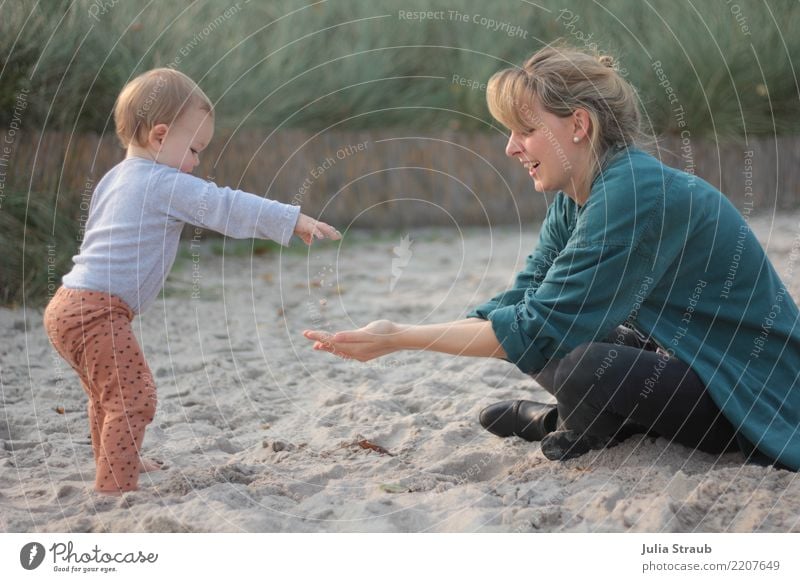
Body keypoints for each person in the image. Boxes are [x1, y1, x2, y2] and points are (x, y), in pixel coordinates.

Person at [304, 45, 800, 471]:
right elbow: (526, 298)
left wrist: (400, 338)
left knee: (587, 364)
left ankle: (563, 423)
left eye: (523, 130)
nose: (509, 147)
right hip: (676, 357)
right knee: (559, 343)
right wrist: (424, 330)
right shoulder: (577, 196)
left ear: (579, 124)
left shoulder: (635, 192)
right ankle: (587, 419)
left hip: (744, 388)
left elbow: (539, 325)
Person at [44, 68, 341, 494]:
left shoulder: (117, 177)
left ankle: (116, 458)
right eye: (196, 150)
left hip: (67, 306)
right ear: (161, 137)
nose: (198, 162)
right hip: (96, 310)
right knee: (134, 398)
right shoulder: (162, 182)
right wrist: (291, 219)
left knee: (107, 396)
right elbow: (225, 206)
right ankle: (113, 488)